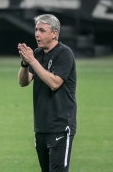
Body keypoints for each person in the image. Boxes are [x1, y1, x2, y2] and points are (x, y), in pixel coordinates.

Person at [17, 14, 77, 172]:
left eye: (42, 30)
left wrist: (33, 61)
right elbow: (23, 82)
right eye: (36, 29)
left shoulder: (64, 53)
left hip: (60, 126)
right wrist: (24, 63)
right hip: (41, 127)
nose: (37, 34)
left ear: (54, 33)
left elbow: (55, 83)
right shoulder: (37, 54)